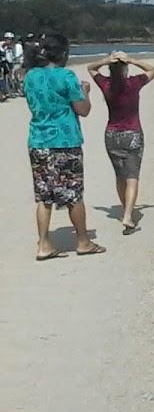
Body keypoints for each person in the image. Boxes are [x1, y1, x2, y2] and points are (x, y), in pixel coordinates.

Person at [24, 33, 105, 259]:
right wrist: (85, 92)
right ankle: (83, 241)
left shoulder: (30, 76)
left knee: (44, 196)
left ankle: (44, 244)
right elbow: (83, 110)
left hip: (38, 140)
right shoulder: (66, 76)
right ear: (62, 54)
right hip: (65, 140)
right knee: (74, 194)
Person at [87, 51, 154, 233]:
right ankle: (128, 214)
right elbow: (153, 70)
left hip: (112, 135)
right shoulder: (133, 83)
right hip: (132, 134)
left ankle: (125, 209)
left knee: (120, 176)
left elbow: (91, 68)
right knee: (132, 176)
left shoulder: (106, 84)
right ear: (126, 68)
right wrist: (132, 60)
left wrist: (106, 60)